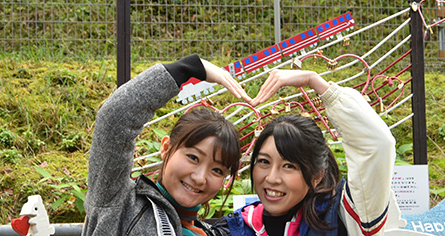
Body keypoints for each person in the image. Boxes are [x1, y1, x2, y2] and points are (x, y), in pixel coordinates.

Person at [84, 54, 252, 236]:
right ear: (165, 148)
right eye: (193, 158)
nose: (200, 178)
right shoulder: (120, 203)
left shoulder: (206, 232)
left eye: (217, 170)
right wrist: (187, 68)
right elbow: (114, 119)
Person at [217, 70, 396, 236]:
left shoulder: (344, 216)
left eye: (289, 166)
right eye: (264, 162)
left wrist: (316, 82)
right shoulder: (236, 228)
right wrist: (193, 69)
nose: (272, 178)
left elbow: (378, 144)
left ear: (316, 177)